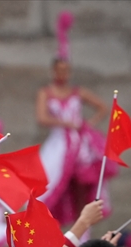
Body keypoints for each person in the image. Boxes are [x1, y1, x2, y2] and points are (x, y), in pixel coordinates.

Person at [36, 13, 111, 226]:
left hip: (80, 142)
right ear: (53, 70)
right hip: (59, 142)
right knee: (50, 182)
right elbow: (42, 118)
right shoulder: (46, 92)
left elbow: (102, 107)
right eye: (60, 70)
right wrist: (66, 123)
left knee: (82, 184)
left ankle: (82, 228)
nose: (64, 74)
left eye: (67, 70)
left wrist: (89, 124)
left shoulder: (78, 91)